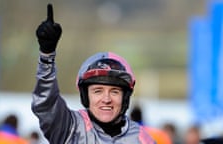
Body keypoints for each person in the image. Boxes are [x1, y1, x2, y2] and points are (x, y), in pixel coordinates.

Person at [31, 3, 155, 144]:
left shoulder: (142, 139)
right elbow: (46, 104)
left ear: (125, 97)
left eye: (115, 92)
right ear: (86, 96)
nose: (106, 99)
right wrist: (47, 56)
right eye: (97, 91)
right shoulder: (70, 128)